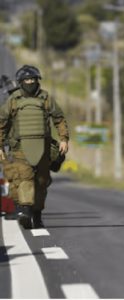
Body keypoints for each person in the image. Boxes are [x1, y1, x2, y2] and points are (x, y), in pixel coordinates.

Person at [0, 65, 69, 229]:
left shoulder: (46, 98)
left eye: (32, 79)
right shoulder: (13, 100)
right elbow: (1, 123)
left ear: (37, 80)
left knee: (41, 182)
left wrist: (64, 139)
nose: (30, 82)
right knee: (24, 179)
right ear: (21, 82)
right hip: (20, 148)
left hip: (44, 149)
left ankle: (37, 215)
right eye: (26, 80)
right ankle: (25, 212)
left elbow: (59, 119)